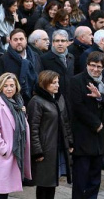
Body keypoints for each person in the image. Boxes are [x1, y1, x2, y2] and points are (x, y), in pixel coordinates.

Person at [70, 51, 104, 199]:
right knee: (80, 177)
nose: (95, 69)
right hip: (83, 135)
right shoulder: (76, 81)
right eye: (93, 66)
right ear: (87, 65)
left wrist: (100, 97)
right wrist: (95, 123)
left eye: (99, 67)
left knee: (95, 177)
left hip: (99, 137)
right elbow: (77, 106)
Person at [27, 70, 73, 199]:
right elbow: (33, 128)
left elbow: (65, 122)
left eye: (57, 82)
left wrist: (69, 142)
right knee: (43, 183)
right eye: (53, 83)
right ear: (45, 84)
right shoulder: (36, 101)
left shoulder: (59, 98)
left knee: (52, 183)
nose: (57, 85)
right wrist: (37, 152)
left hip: (57, 147)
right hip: (45, 149)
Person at [0, 72, 31, 199]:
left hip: (13, 153)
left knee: (4, 192)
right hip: (4, 154)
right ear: (0, 87)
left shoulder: (17, 103)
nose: (9, 88)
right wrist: (5, 150)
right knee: (0, 192)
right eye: (5, 86)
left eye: (12, 85)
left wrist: (23, 114)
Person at [0, 29, 43, 105]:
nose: (19, 42)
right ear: (10, 41)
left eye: (21, 39)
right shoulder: (2, 60)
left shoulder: (35, 57)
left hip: (34, 102)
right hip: (12, 103)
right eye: (15, 40)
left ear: (26, 40)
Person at [41, 30, 75, 99]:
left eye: (63, 41)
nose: (60, 44)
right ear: (53, 43)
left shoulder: (71, 57)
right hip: (53, 97)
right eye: (57, 41)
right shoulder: (44, 58)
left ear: (67, 43)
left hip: (70, 97)